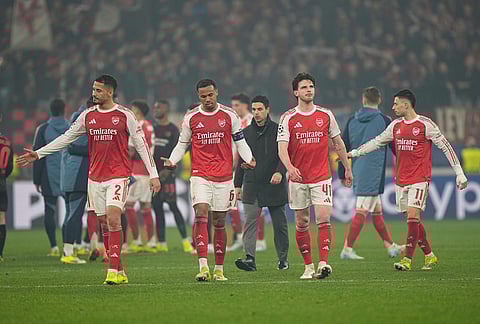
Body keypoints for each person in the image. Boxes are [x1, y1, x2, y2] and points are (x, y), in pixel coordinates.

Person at [18, 75, 161, 285]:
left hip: (119, 175)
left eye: (98, 90)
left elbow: (141, 146)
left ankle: (111, 271)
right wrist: (39, 154)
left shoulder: (125, 115)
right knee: (103, 222)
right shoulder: (87, 116)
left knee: (113, 218)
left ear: (110, 92)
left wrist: (154, 174)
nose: (94, 93)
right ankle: (119, 268)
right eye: (93, 89)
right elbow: (67, 137)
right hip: (94, 178)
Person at [348, 89, 468, 271]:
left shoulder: (425, 124)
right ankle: (429, 255)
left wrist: (459, 173)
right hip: (400, 180)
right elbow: (377, 141)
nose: (393, 106)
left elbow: (446, 147)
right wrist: (356, 152)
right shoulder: (395, 126)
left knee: (413, 216)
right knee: (414, 222)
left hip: (420, 178)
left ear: (406, 104)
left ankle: (407, 260)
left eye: (396, 103)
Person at [163, 79, 255, 281]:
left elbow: (240, 142)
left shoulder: (229, 115)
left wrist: (250, 159)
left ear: (217, 93)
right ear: (198, 96)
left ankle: (219, 269)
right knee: (201, 213)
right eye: (203, 96)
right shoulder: (191, 117)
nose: (207, 99)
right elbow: (182, 144)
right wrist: (171, 160)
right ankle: (203, 267)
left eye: (210, 95)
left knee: (220, 221)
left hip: (224, 176)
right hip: (200, 174)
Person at [277, 72, 353, 280]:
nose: (309, 90)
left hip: (321, 177)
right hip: (298, 178)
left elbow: (338, 143)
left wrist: (347, 168)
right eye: (304, 87)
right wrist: (290, 167)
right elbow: (282, 149)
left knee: (323, 217)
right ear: (295, 92)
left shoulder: (326, 115)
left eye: (311, 86)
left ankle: (323, 263)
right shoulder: (288, 118)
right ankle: (308, 266)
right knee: (302, 222)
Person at [338, 87, 404, 260]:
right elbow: (395, 147)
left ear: (363, 99)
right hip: (373, 172)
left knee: (376, 212)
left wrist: (342, 172)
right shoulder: (384, 120)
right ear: (380, 100)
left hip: (358, 170)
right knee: (362, 210)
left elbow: (342, 147)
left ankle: (390, 246)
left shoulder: (352, 120)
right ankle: (347, 248)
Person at [234, 95, 289, 271]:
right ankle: (249, 258)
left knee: (279, 224)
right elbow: (240, 161)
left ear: (267, 110)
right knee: (250, 221)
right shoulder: (246, 133)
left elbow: (286, 154)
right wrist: (237, 185)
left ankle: (283, 260)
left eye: (260, 109)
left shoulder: (278, 130)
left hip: (274, 183)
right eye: (254, 109)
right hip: (252, 183)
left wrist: (280, 172)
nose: (256, 113)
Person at [60, 97, 99, 264]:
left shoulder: (76, 116)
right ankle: (68, 252)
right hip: (78, 174)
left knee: (70, 213)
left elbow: (71, 146)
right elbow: (79, 148)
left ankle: (70, 249)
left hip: (68, 173)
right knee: (74, 215)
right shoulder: (86, 117)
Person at [151, 100, 193, 253]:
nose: (156, 109)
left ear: (166, 109)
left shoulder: (173, 130)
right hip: (154, 176)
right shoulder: (152, 129)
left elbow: (179, 153)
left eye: (159, 107)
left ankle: (185, 240)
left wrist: (168, 171)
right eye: (155, 107)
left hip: (168, 176)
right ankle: (161, 242)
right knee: (157, 208)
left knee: (173, 206)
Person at [33, 98, 69, 256]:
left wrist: (36, 179)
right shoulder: (72, 127)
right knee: (72, 211)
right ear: (64, 110)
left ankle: (54, 247)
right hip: (70, 175)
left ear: (51, 110)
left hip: (49, 176)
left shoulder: (43, 129)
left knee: (50, 211)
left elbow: (37, 156)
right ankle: (73, 244)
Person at [124, 99, 156, 253]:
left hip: (136, 172)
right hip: (147, 172)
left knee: (128, 205)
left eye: (132, 110)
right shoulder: (150, 126)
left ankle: (136, 241)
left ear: (138, 112)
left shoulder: (136, 126)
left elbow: (131, 152)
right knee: (145, 207)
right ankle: (151, 242)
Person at [227, 93, 251, 251]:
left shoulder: (250, 121)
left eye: (236, 105)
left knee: (253, 202)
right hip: (235, 167)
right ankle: (239, 237)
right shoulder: (235, 121)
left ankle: (258, 240)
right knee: (232, 203)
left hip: (247, 166)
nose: (234, 108)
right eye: (232, 105)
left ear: (244, 105)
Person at [0, 110, 13, 261]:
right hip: (2, 182)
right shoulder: (7, 142)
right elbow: (10, 165)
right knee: (1, 218)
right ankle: (0, 254)